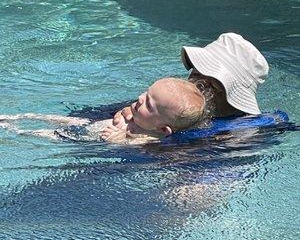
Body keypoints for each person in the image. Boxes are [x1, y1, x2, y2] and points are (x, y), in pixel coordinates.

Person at [114, 33, 269, 125]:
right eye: (196, 71)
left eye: (211, 81)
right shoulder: (160, 105)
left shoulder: (243, 134)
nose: (195, 83)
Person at [0, 77, 206, 145]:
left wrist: (119, 139)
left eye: (149, 104)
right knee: (61, 120)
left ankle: (14, 130)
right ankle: (18, 117)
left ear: (162, 129)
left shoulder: (148, 139)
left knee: (52, 135)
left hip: (86, 138)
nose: (140, 98)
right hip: (87, 125)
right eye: (147, 92)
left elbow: (127, 145)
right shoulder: (138, 115)